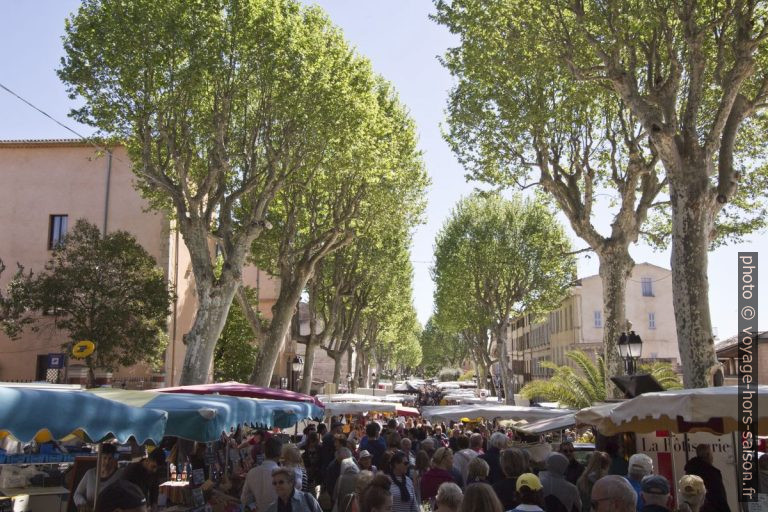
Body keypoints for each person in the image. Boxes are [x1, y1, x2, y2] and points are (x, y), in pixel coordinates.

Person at [74, 443, 124, 511]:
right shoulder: (90, 474)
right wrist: (83, 503)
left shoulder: (120, 475)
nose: (107, 462)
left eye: (110, 458)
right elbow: (77, 494)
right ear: (99, 458)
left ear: (114, 459)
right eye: (104, 458)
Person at [683, 444, 730, 512]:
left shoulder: (690, 471)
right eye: (711, 454)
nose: (712, 457)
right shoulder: (711, 473)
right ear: (707, 455)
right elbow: (719, 496)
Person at [242, 436, 283, 511]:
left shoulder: (252, 473)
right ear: (280, 454)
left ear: (264, 452)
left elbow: (244, 499)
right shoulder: (283, 475)